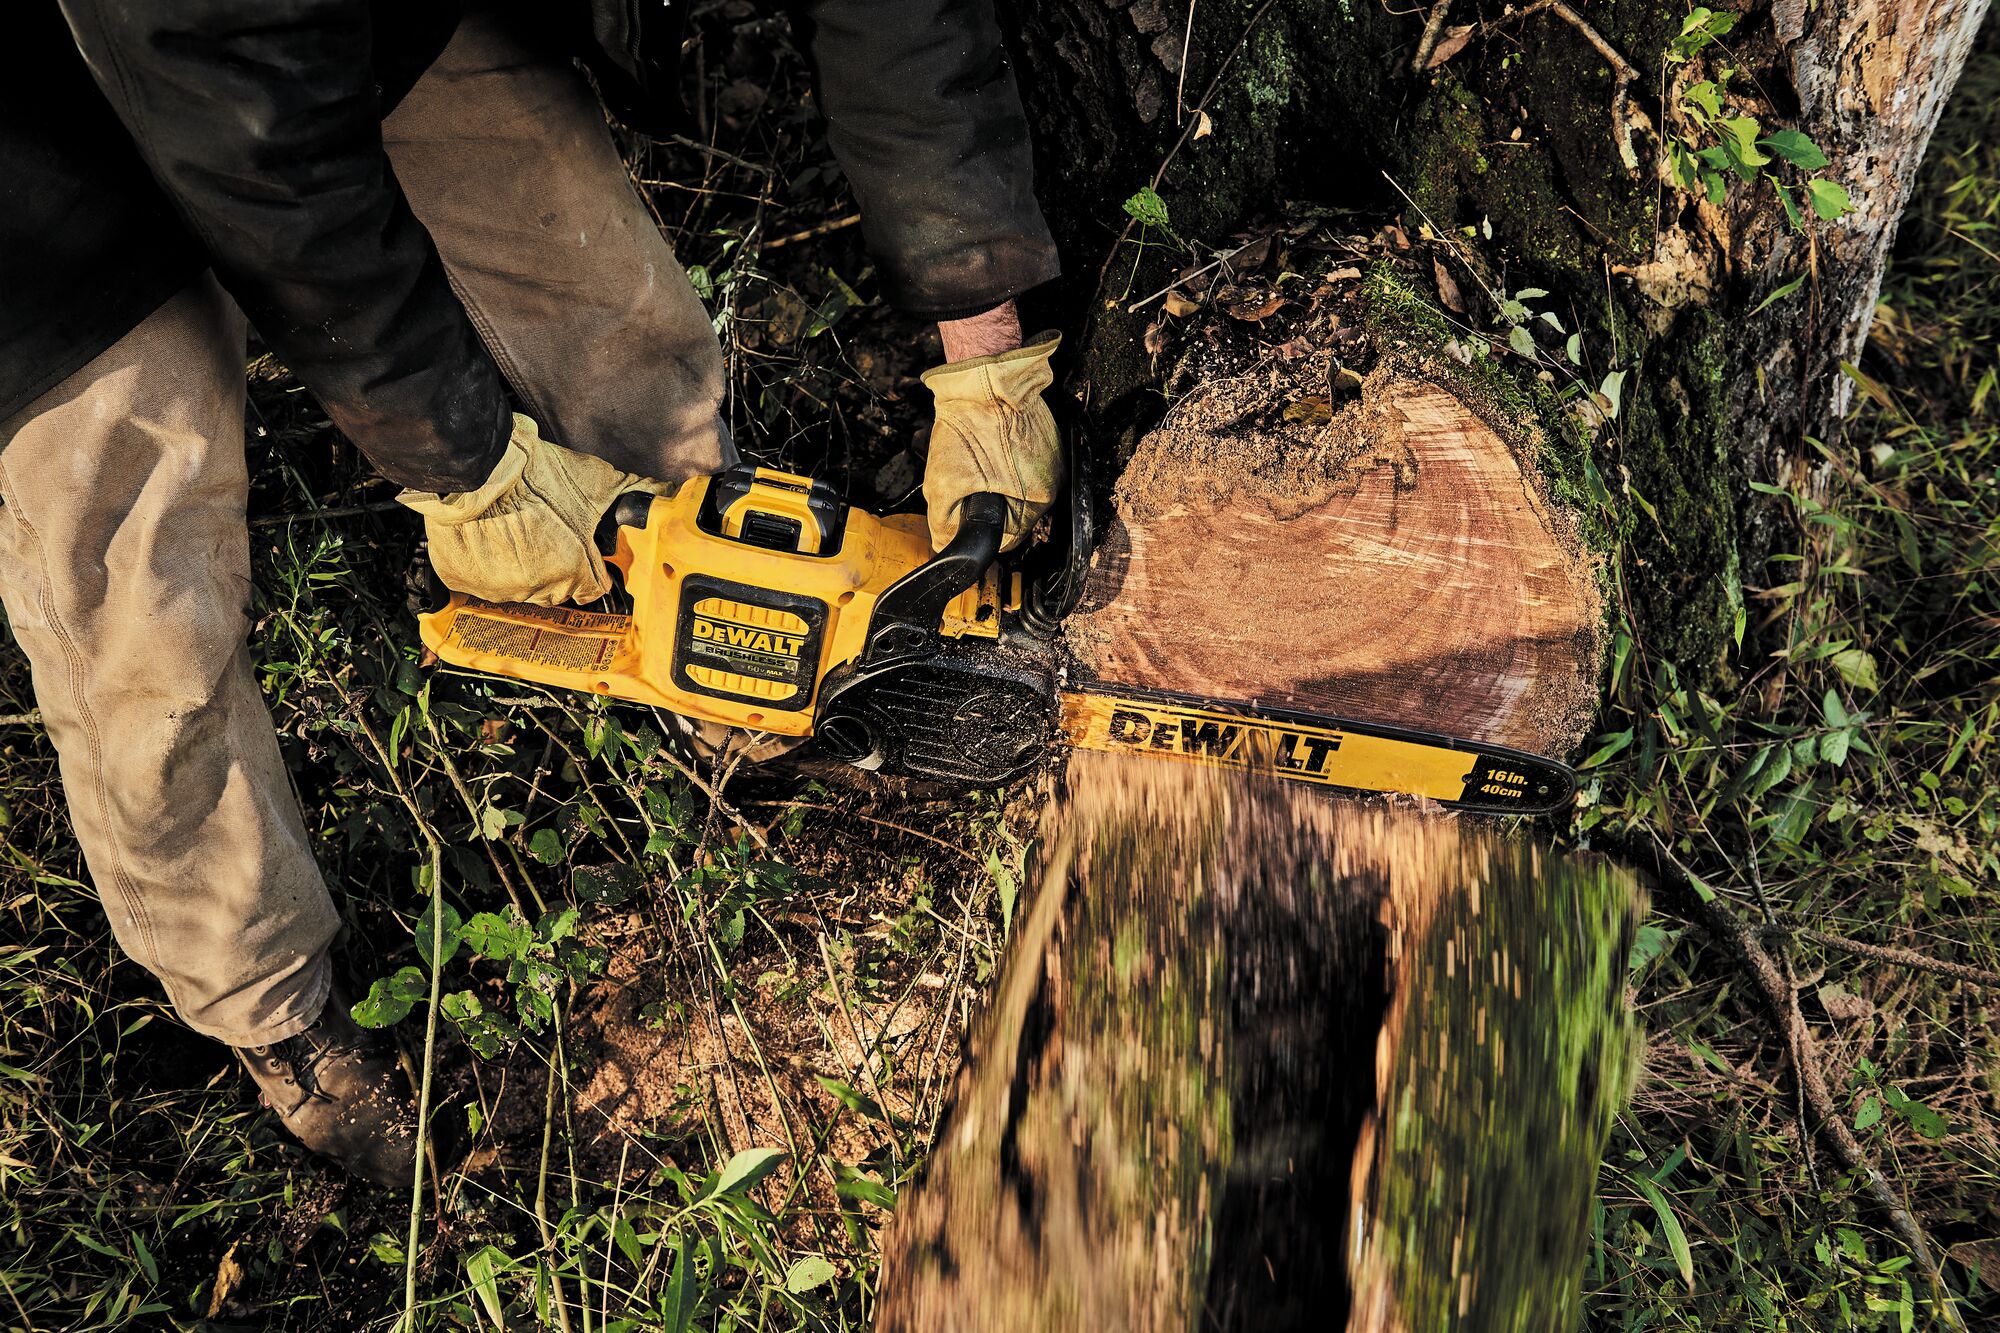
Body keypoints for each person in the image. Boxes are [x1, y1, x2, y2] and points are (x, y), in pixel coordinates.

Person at [0, 0, 1062, 1186]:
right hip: (41, 154)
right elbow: (249, 144)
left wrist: (985, 353)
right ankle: (272, 1010)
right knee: (144, 605)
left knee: (623, 333)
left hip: (352, 29)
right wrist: (464, 469)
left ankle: (715, 680)